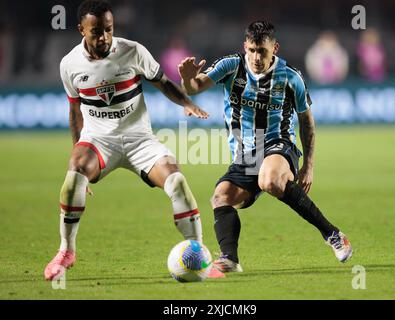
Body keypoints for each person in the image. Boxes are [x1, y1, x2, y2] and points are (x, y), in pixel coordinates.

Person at [44, 0, 224, 280]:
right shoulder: (69, 64)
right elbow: (75, 110)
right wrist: (75, 157)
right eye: (96, 32)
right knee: (73, 179)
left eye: (108, 29)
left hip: (140, 140)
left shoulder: (132, 51)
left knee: (177, 181)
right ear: (81, 29)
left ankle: (199, 255)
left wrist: (186, 103)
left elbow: (162, 81)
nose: (104, 37)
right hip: (99, 140)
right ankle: (66, 251)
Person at [178, 21, 352, 273]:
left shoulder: (291, 77)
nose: (256, 57)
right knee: (220, 197)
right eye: (252, 50)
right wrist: (187, 79)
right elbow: (195, 87)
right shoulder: (231, 66)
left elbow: (307, 122)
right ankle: (229, 258)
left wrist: (309, 166)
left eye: (263, 51)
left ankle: (333, 234)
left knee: (270, 180)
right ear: (244, 47)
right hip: (246, 154)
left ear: (275, 49)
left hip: (278, 143)